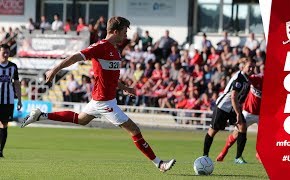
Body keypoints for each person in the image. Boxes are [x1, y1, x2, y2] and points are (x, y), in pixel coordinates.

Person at [21, 16, 176, 172]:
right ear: (115, 31)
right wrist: (54, 70)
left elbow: (111, 78)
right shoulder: (100, 47)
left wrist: (125, 88)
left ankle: (41, 115)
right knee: (134, 130)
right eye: (124, 31)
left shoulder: (115, 50)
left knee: (81, 120)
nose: (126, 35)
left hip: (100, 100)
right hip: (104, 102)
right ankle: (159, 163)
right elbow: (75, 57)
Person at [202, 57, 256, 164]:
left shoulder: (246, 78)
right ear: (243, 66)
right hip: (223, 107)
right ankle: (205, 156)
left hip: (233, 107)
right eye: (249, 66)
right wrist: (238, 114)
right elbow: (233, 97)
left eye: (253, 67)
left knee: (242, 127)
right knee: (213, 131)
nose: (251, 69)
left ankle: (238, 157)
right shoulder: (239, 78)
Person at [216, 73, 263, 163]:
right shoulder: (256, 78)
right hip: (247, 112)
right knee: (236, 134)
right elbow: (243, 77)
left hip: (261, 114)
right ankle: (224, 152)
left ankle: (259, 154)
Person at [0, 44, 22, 157]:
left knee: (4, 124)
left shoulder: (13, 67)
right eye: (3, 52)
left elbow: (17, 84)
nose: (5, 55)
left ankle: (0, 151)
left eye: (7, 52)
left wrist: (19, 100)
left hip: (8, 101)